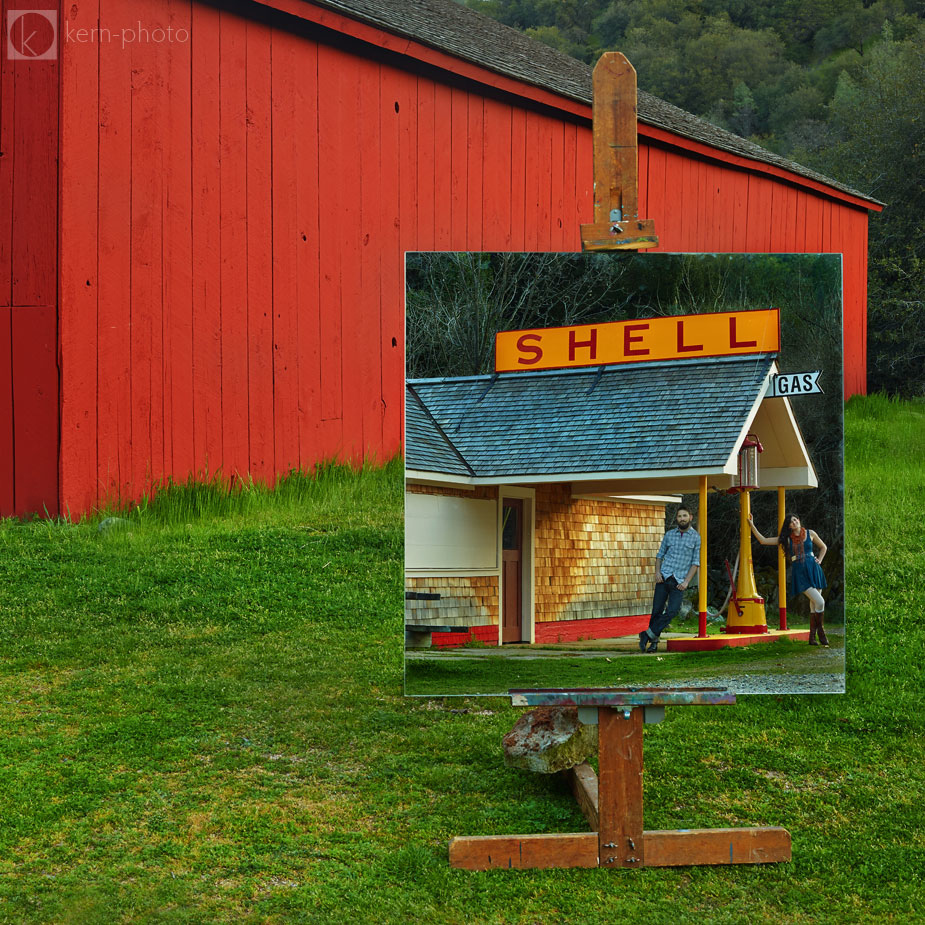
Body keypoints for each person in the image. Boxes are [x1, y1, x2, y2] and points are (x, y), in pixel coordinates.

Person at [748, 513, 829, 646]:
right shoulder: (786, 539)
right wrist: (752, 525)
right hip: (800, 572)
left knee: (814, 604)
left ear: (799, 520)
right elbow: (763, 540)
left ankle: (812, 637)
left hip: (814, 569)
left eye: (795, 519)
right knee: (819, 601)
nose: (794, 522)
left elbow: (823, 547)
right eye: (791, 522)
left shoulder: (810, 533)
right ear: (789, 526)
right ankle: (821, 632)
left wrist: (819, 560)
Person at [638, 505, 700, 653]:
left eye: (685, 516)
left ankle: (646, 634)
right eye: (679, 516)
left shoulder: (696, 537)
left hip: (679, 581)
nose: (682, 519)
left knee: (673, 610)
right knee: (657, 611)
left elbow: (695, 563)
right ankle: (653, 643)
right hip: (664, 577)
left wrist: (686, 581)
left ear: (690, 517)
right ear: (677, 519)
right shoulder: (669, 535)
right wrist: (657, 572)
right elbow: (659, 555)